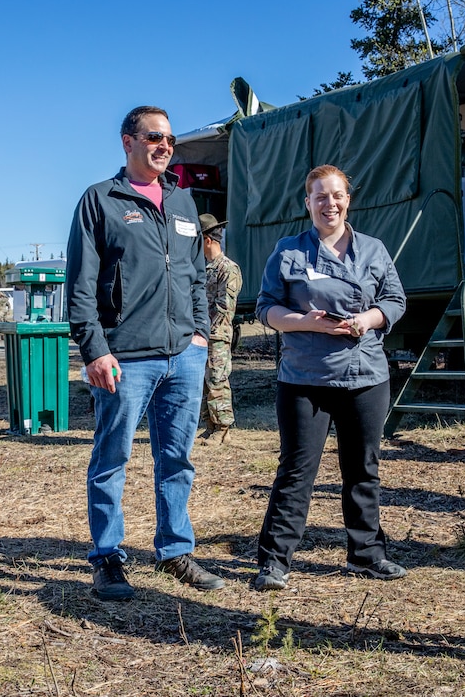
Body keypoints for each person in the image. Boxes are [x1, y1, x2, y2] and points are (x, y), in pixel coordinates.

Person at [66, 105, 225, 600]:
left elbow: (196, 276)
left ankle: (175, 551)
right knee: (111, 458)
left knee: (176, 459)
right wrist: (94, 349)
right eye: (155, 137)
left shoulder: (182, 202)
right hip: (125, 358)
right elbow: (80, 286)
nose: (165, 146)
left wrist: (199, 333)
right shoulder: (101, 201)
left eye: (171, 140)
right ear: (127, 141)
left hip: (183, 355)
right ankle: (108, 558)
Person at [253, 165, 407, 592]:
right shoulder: (288, 252)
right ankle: (275, 561)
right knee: (297, 470)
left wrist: (367, 319)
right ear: (308, 204)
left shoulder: (374, 249)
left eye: (337, 195)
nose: (329, 204)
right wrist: (305, 321)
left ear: (348, 199)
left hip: (366, 376)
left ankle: (367, 554)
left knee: (363, 468)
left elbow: (395, 300)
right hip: (305, 378)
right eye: (320, 196)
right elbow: (265, 308)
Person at [197, 213, 243, 445]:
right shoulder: (203, 268)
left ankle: (222, 427)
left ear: (207, 240)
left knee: (217, 378)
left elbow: (225, 307)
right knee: (205, 381)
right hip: (203, 335)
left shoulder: (228, 269)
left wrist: (207, 331)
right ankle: (210, 425)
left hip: (217, 335)